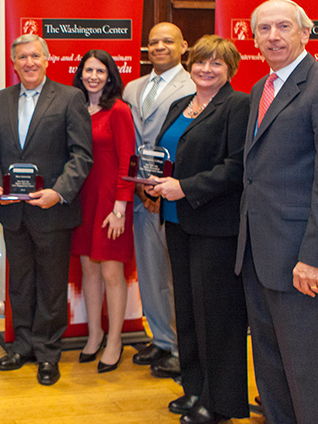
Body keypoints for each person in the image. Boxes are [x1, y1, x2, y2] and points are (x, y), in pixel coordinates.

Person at [235, 0, 318, 424]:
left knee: (317, 393)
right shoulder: (261, 89)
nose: (273, 36)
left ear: (305, 34)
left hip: (309, 270)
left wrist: (316, 259)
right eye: (263, 29)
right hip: (264, 263)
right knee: (275, 384)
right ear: (253, 38)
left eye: (283, 27)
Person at [145, 35, 250, 424]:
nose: (206, 69)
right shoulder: (179, 106)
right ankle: (194, 390)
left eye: (216, 64)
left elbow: (236, 167)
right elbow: (166, 155)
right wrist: (152, 179)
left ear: (229, 69)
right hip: (177, 221)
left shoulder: (237, 106)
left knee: (217, 318)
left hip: (215, 226)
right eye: (201, 62)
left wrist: (185, 187)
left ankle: (220, 402)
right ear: (190, 65)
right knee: (187, 312)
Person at [0, 34, 93, 386]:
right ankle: (23, 346)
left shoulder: (69, 97)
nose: (29, 62)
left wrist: (58, 193)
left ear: (47, 59)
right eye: (22, 57)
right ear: (13, 62)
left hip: (52, 211)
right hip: (14, 212)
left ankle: (48, 352)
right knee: (19, 283)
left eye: (35, 56)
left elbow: (82, 155)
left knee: (50, 285)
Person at [122, 22, 195, 378]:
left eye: (168, 41)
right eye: (153, 42)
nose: (160, 47)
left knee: (178, 273)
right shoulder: (132, 87)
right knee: (151, 273)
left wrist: (164, 185)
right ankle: (162, 339)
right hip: (140, 192)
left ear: (184, 47)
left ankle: (185, 348)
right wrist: (138, 185)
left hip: (175, 195)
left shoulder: (195, 84)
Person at [69, 50, 134, 373]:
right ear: (80, 74)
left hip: (111, 204)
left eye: (100, 70)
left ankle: (115, 340)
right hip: (82, 201)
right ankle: (94, 334)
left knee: (111, 273)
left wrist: (120, 208)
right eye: (88, 70)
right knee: (89, 271)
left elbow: (128, 161)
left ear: (110, 75)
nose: (93, 75)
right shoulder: (75, 108)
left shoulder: (119, 110)